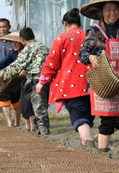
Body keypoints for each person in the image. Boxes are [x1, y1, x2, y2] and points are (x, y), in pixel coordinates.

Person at [78, 0, 119, 153]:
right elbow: (82, 54)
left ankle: (104, 135)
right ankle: (103, 154)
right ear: (102, 12)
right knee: (107, 118)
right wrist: (91, 57)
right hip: (104, 79)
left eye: (115, 10)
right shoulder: (94, 31)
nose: (112, 13)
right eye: (108, 10)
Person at [37, 8, 95, 147]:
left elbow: (52, 62)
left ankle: (90, 146)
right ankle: (87, 147)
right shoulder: (90, 36)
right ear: (80, 23)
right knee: (87, 118)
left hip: (72, 86)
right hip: (92, 84)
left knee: (79, 119)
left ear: (65, 23)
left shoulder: (62, 38)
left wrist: (42, 82)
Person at [0, 27, 50, 135]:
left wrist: (0, 76)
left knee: (39, 110)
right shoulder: (44, 47)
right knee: (42, 109)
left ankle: (44, 134)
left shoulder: (28, 49)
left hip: (37, 81)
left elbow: (16, 66)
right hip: (47, 81)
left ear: (22, 40)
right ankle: (41, 131)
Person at [0, 18, 20, 125]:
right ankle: (9, 122)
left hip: (15, 75)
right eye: (0, 27)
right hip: (0, 76)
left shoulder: (15, 40)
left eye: (4, 27)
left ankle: (17, 122)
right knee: (3, 99)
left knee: (15, 101)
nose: (2, 29)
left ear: (9, 27)